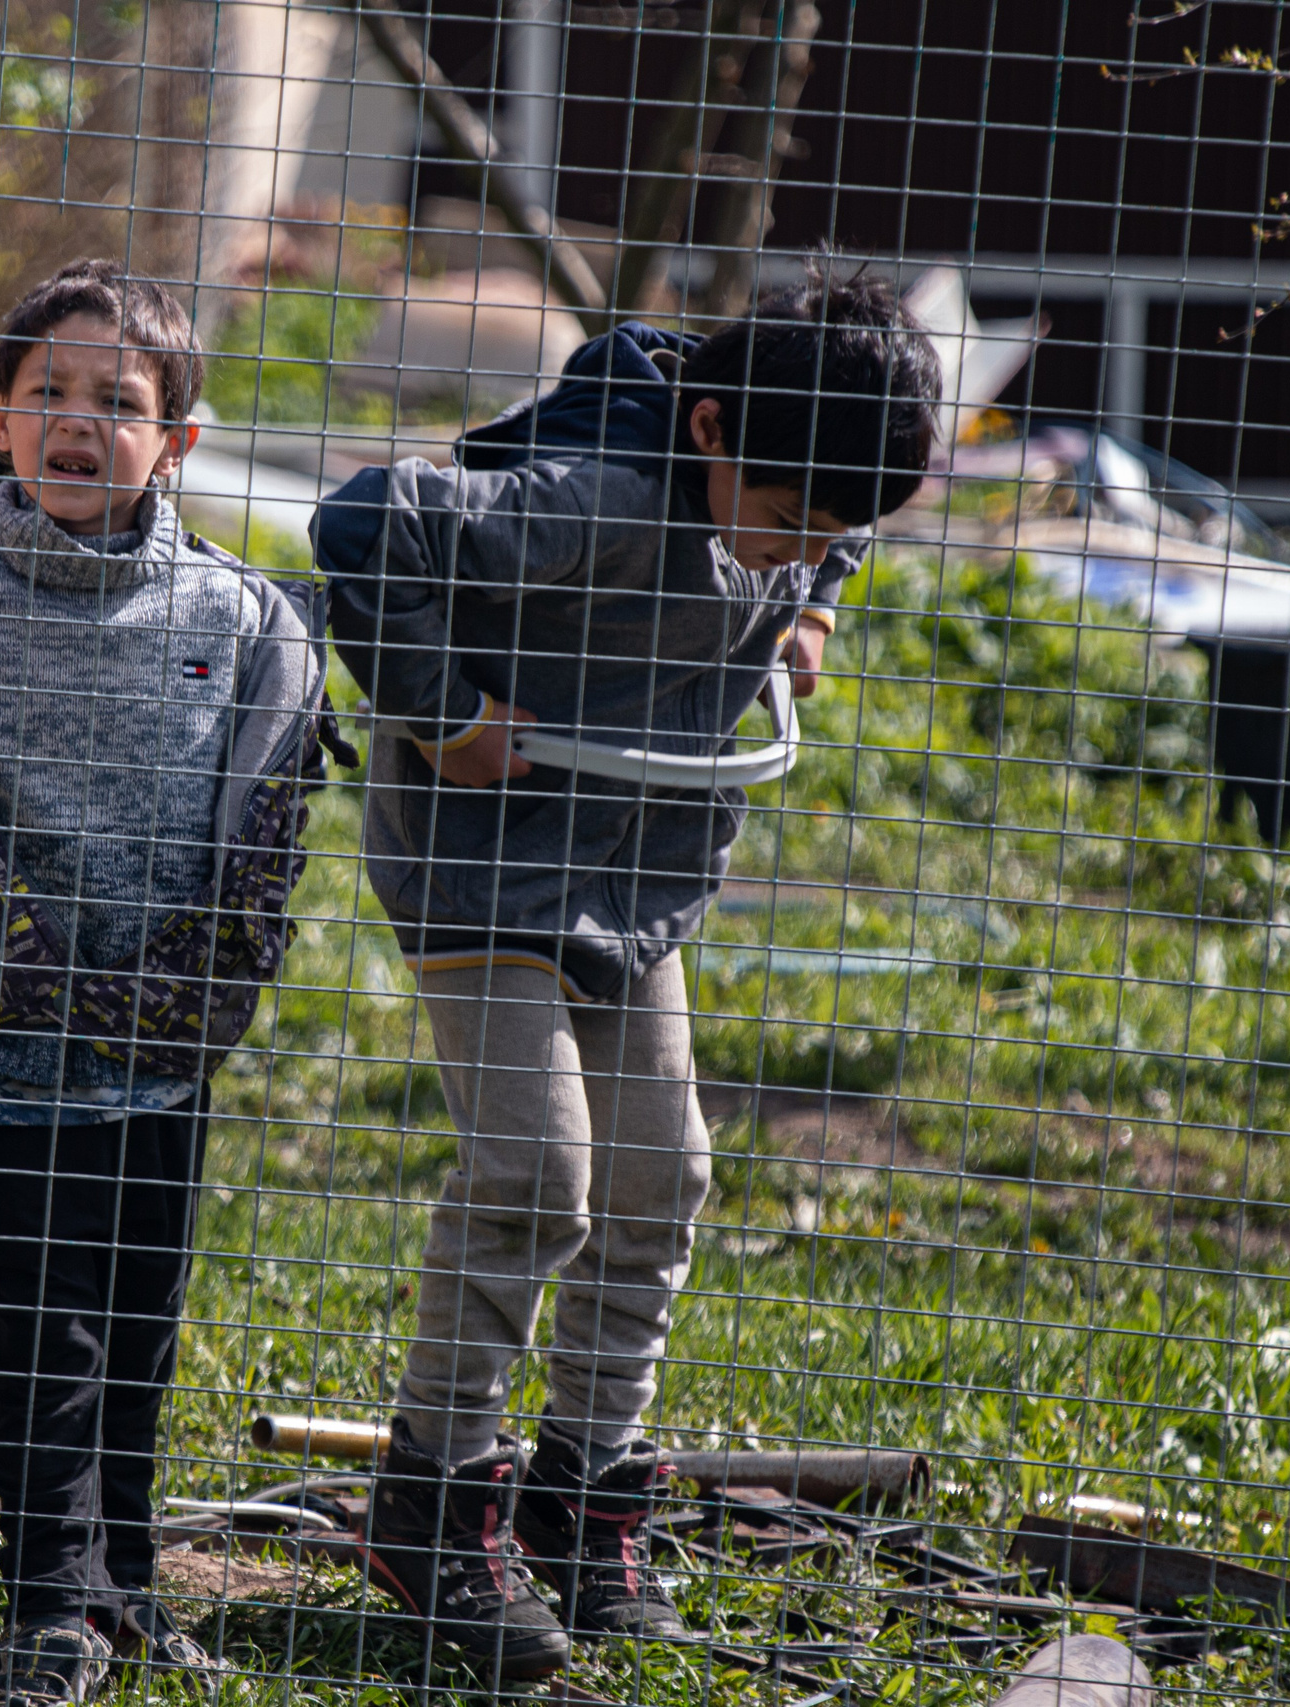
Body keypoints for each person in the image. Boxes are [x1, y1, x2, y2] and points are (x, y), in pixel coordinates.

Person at [313, 267, 940, 1681]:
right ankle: (431, 1504)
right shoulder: (591, 498)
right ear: (711, 432)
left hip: (636, 864)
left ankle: (583, 1500)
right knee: (537, 1174)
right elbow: (362, 524)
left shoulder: (799, 495)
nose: (802, 554)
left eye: (833, 538)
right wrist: (443, 711)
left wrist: (813, 605)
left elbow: (834, 533)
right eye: (788, 528)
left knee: (663, 1176)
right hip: (486, 861)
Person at [0, 259, 343, 1707]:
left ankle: (129, 1583)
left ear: (180, 442)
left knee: (144, 1304)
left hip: (163, 1019)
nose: (80, 422)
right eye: (50, 393)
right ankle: (49, 1599)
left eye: (121, 400)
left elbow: (264, 824)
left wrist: (204, 976)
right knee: (45, 1318)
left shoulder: (239, 622)